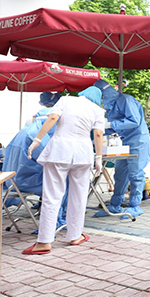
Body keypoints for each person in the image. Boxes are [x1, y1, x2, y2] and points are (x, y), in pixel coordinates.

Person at [22, 86, 105, 255]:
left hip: (60, 151)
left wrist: (37, 140)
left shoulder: (66, 100)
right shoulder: (98, 109)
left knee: (52, 196)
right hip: (83, 154)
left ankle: (44, 242)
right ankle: (75, 235)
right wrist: (99, 158)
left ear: (83, 93)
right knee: (79, 196)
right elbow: (98, 134)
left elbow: (53, 117)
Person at [2, 92, 68, 225]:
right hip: (26, 181)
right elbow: (50, 158)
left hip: (13, 180)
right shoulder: (37, 135)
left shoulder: (25, 130)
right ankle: (56, 219)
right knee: (66, 181)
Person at [92, 79, 150, 218]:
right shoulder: (111, 106)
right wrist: (96, 130)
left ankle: (135, 206)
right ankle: (115, 205)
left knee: (135, 174)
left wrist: (109, 124)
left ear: (104, 93)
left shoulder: (126, 100)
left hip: (139, 140)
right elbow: (112, 127)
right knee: (120, 174)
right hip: (125, 142)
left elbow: (133, 121)